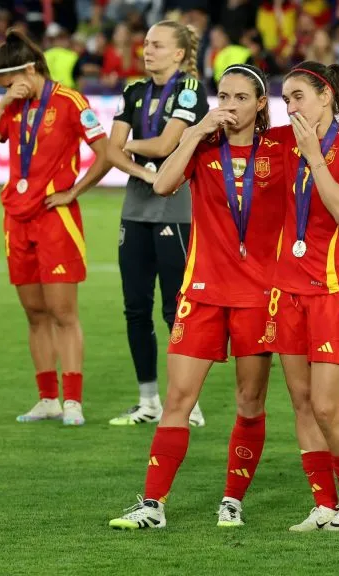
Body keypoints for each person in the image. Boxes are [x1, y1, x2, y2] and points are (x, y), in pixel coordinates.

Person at [107, 64, 287, 530]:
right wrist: (192, 134)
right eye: (222, 97)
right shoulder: (204, 145)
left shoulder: (282, 147)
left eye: (240, 98)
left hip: (259, 294)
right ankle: (152, 505)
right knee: (178, 401)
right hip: (202, 292)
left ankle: (232, 499)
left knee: (250, 402)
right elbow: (163, 185)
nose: (228, 107)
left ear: (261, 105)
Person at [0, 29, 110, 426]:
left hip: (55, 218)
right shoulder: (12, 106)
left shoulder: (69, 102)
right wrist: (3, 101)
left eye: (9, 82)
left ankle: (74, 402)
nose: (7, 89)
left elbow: (104, 154)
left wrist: (74, 191)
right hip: (16, 218)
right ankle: (48, 398)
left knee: (63, 312)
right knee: (34, 313)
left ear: (29, 69)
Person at [268, 61, 339, 531]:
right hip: (288, 286)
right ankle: (323, 503)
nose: (290, 106)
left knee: (326, 406)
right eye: (286, 98)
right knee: (301, 403)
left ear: (326, 95)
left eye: (298, 96)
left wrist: (313, 155)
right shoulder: (280, 142)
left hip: (336, 289)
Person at [106, 20, 210, 428]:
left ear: (180, 54)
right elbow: (111, 153)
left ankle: (189, 404)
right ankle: (148, 400)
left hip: (176, 209)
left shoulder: (189, 90)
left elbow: (167, 144)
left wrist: (126, 145)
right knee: (135, 308)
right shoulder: (133, 91)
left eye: (158, 45)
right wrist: (149, 174)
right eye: (146, 44)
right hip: (136, 207)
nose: (148, 51)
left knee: (175, 310)